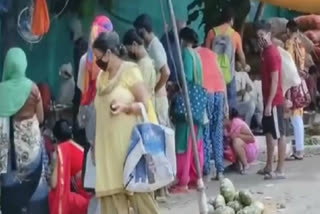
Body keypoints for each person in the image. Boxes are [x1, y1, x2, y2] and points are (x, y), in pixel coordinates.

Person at [92, 32, 159, 213]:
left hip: (130, 150)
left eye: (98, 56)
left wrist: (125, 107)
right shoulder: (101, 78)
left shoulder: (130, 70)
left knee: (142, 201)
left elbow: (145, 105)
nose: (96, 60)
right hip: (107, 152)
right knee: (112, 203)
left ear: (108, 53)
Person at [0, 48, 46, 214]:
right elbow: (40, 119)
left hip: (7, 159)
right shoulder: (33, 89)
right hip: (30, 158)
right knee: (33, 195)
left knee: (9, 199)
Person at [171, 27, 204, 192]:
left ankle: (182, 180)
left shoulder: (186, 53)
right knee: (195, 141)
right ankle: (193, 177)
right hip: (198, 104)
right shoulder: (197, 55)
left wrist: (176, 87)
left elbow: (188, 77)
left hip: (188, 103)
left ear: (183, 39)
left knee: (183, 142)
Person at [255, 21, 286, 180]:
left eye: (262, 36)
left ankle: (280, 169)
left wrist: (269, 103)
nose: (260, 39)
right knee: (268, 132)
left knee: (279, 133)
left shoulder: (272, 53)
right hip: (268, 99)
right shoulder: (265, 52)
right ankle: (269, 165)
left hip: (274, 101)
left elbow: (275, 80)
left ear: (269, 34)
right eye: (258, 36)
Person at [77, 15, 113, 145]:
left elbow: (82, 88)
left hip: (90, 110)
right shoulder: (112, 61)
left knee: (91, 149)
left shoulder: (84, 60)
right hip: (109, 112)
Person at [205, 8, 250, 110]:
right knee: (231, 100)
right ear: (231, 20)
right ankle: (231, 121)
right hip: (229, 73)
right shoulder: (235, 35)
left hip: (214, 73)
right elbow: (241, 54)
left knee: (214, 98)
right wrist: (245, 65)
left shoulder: (212, 33)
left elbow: (207, 53)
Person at [134, 14, 171, 127]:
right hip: (155, 98)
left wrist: (155, 89)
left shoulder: (155, 46)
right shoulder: (149, 46)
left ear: (143, 31)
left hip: (159, 98)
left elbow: (166, 72)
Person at [196, 45, 227, 180]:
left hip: (206, 92)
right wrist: (226, 101)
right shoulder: (212, 54)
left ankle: (207, 171)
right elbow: (221, 75)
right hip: (219, 91)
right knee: (217, 131)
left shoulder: (193, 54)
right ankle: (220, 171)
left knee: (206, 131)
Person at [49, 120, 91, 214]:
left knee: (54, 194)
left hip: (87, 202)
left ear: (56, 139)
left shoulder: (62, 150)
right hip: (91, 198)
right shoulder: (79, 148)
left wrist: (55, 163)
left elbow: (53, 183)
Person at [285, 20, 307, 160]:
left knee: (295, 117)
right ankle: (299, 148)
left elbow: (288, 64)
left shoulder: (289, 44)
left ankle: (299, 149)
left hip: (292, 81)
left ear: (288, 30)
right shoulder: (301, 44)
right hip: (300, 81)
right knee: (298, 115)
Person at [123, 29, 157, 104]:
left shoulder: (144, 64)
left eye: (128, 49)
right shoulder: (146, 61)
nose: (128, 53)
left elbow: (139, 92)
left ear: (134, 45)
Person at [225, 109, 258, 174]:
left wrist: (236, 135)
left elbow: (252, 138)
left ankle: (246, 165)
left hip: (250, 149)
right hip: (240, 147)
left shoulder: (237, 123)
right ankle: (236, 164)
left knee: (236, 141)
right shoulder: (225, 128)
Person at [235, 62, 255, 126]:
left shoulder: (244, 74)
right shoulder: (230, 74)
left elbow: (252, 87)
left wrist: (249, 88)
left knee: (252, 104)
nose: (239, 65)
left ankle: (247, 126)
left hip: (243, 102)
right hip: (234, 104)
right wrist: (237, 93)